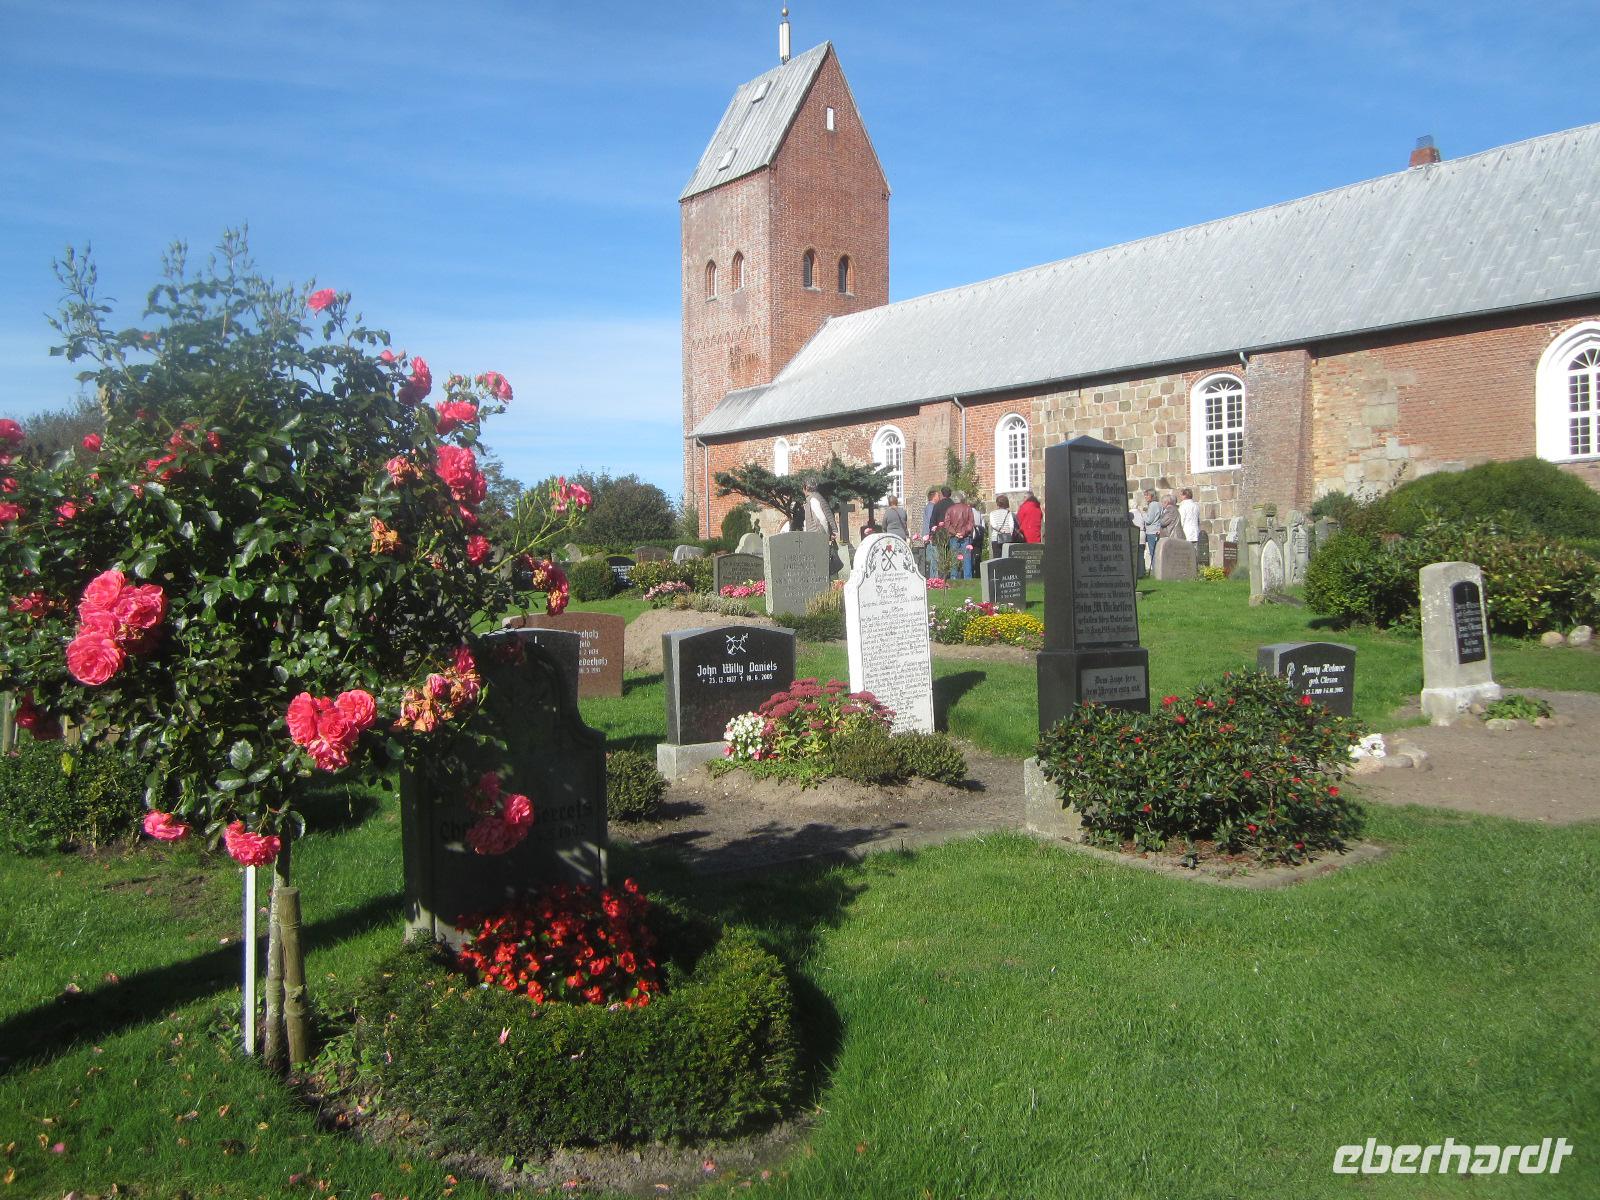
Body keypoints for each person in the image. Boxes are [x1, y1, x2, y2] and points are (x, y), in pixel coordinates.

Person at [941, 490, 977, 579]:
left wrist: (955, 533)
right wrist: (963, 532)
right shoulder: (968, 508)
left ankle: (954, 577)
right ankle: (967, 578)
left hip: (954, 537)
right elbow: (971, 523)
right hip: (965, 536)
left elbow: (947, 524)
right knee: (967, 559)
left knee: (954, 559)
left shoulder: (950, 509)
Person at [925, 485, 953, 574]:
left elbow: (932, 522)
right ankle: (950, 574)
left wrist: (933, 531)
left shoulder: (937, 505)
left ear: (942, 494)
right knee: (951, 555)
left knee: (940, 556)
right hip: (952, 533)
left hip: (940, 533)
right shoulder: (953, 505)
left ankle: (941, 575)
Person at [987, 495, 1018, 560]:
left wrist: (1001, 530)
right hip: (1007, 538)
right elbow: (1011, 526)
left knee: (997, 559)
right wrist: (1008, 533)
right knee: (1007, 558)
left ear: (997, 503)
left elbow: (993, 525)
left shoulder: (992, 513)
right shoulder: (1009, 513)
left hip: (996, 538)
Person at [1142, 489, 1162, 566]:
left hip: (1152, 531)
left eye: (1147, 495)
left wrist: (1143, 514)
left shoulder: (1152, 505)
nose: (1145, 497)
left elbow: (1149, 520)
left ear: (1152, 496)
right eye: (1145, 495)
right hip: (1157, 530)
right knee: (1158, 552)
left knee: (1153, 552)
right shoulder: (1159, 504)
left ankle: (1155, 569)